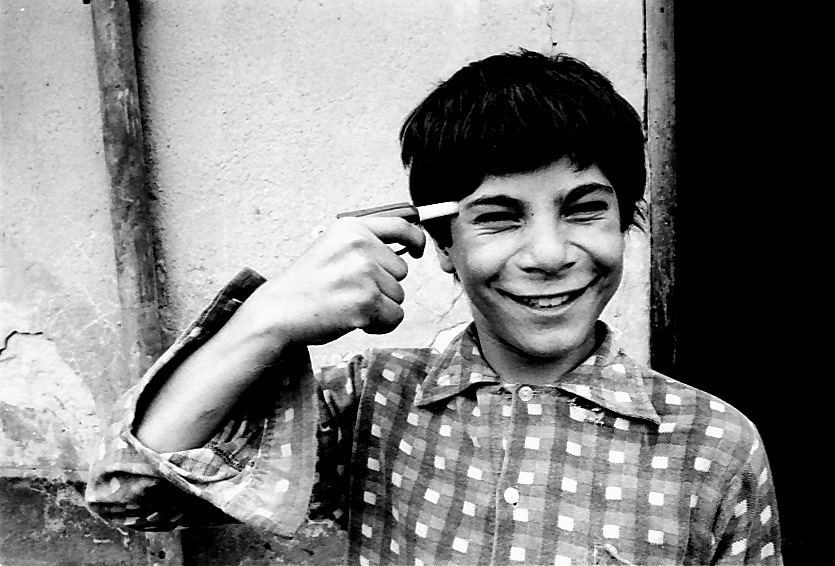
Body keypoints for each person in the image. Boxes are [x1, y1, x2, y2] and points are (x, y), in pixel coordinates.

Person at [86, 50, 782, 565]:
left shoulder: (713, 445)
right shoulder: (372, 404)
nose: (547, 253)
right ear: (443, 245)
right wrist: (269, 316)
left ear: (626, 222)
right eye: (498, 217)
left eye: (583, 209)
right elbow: (133, 493)